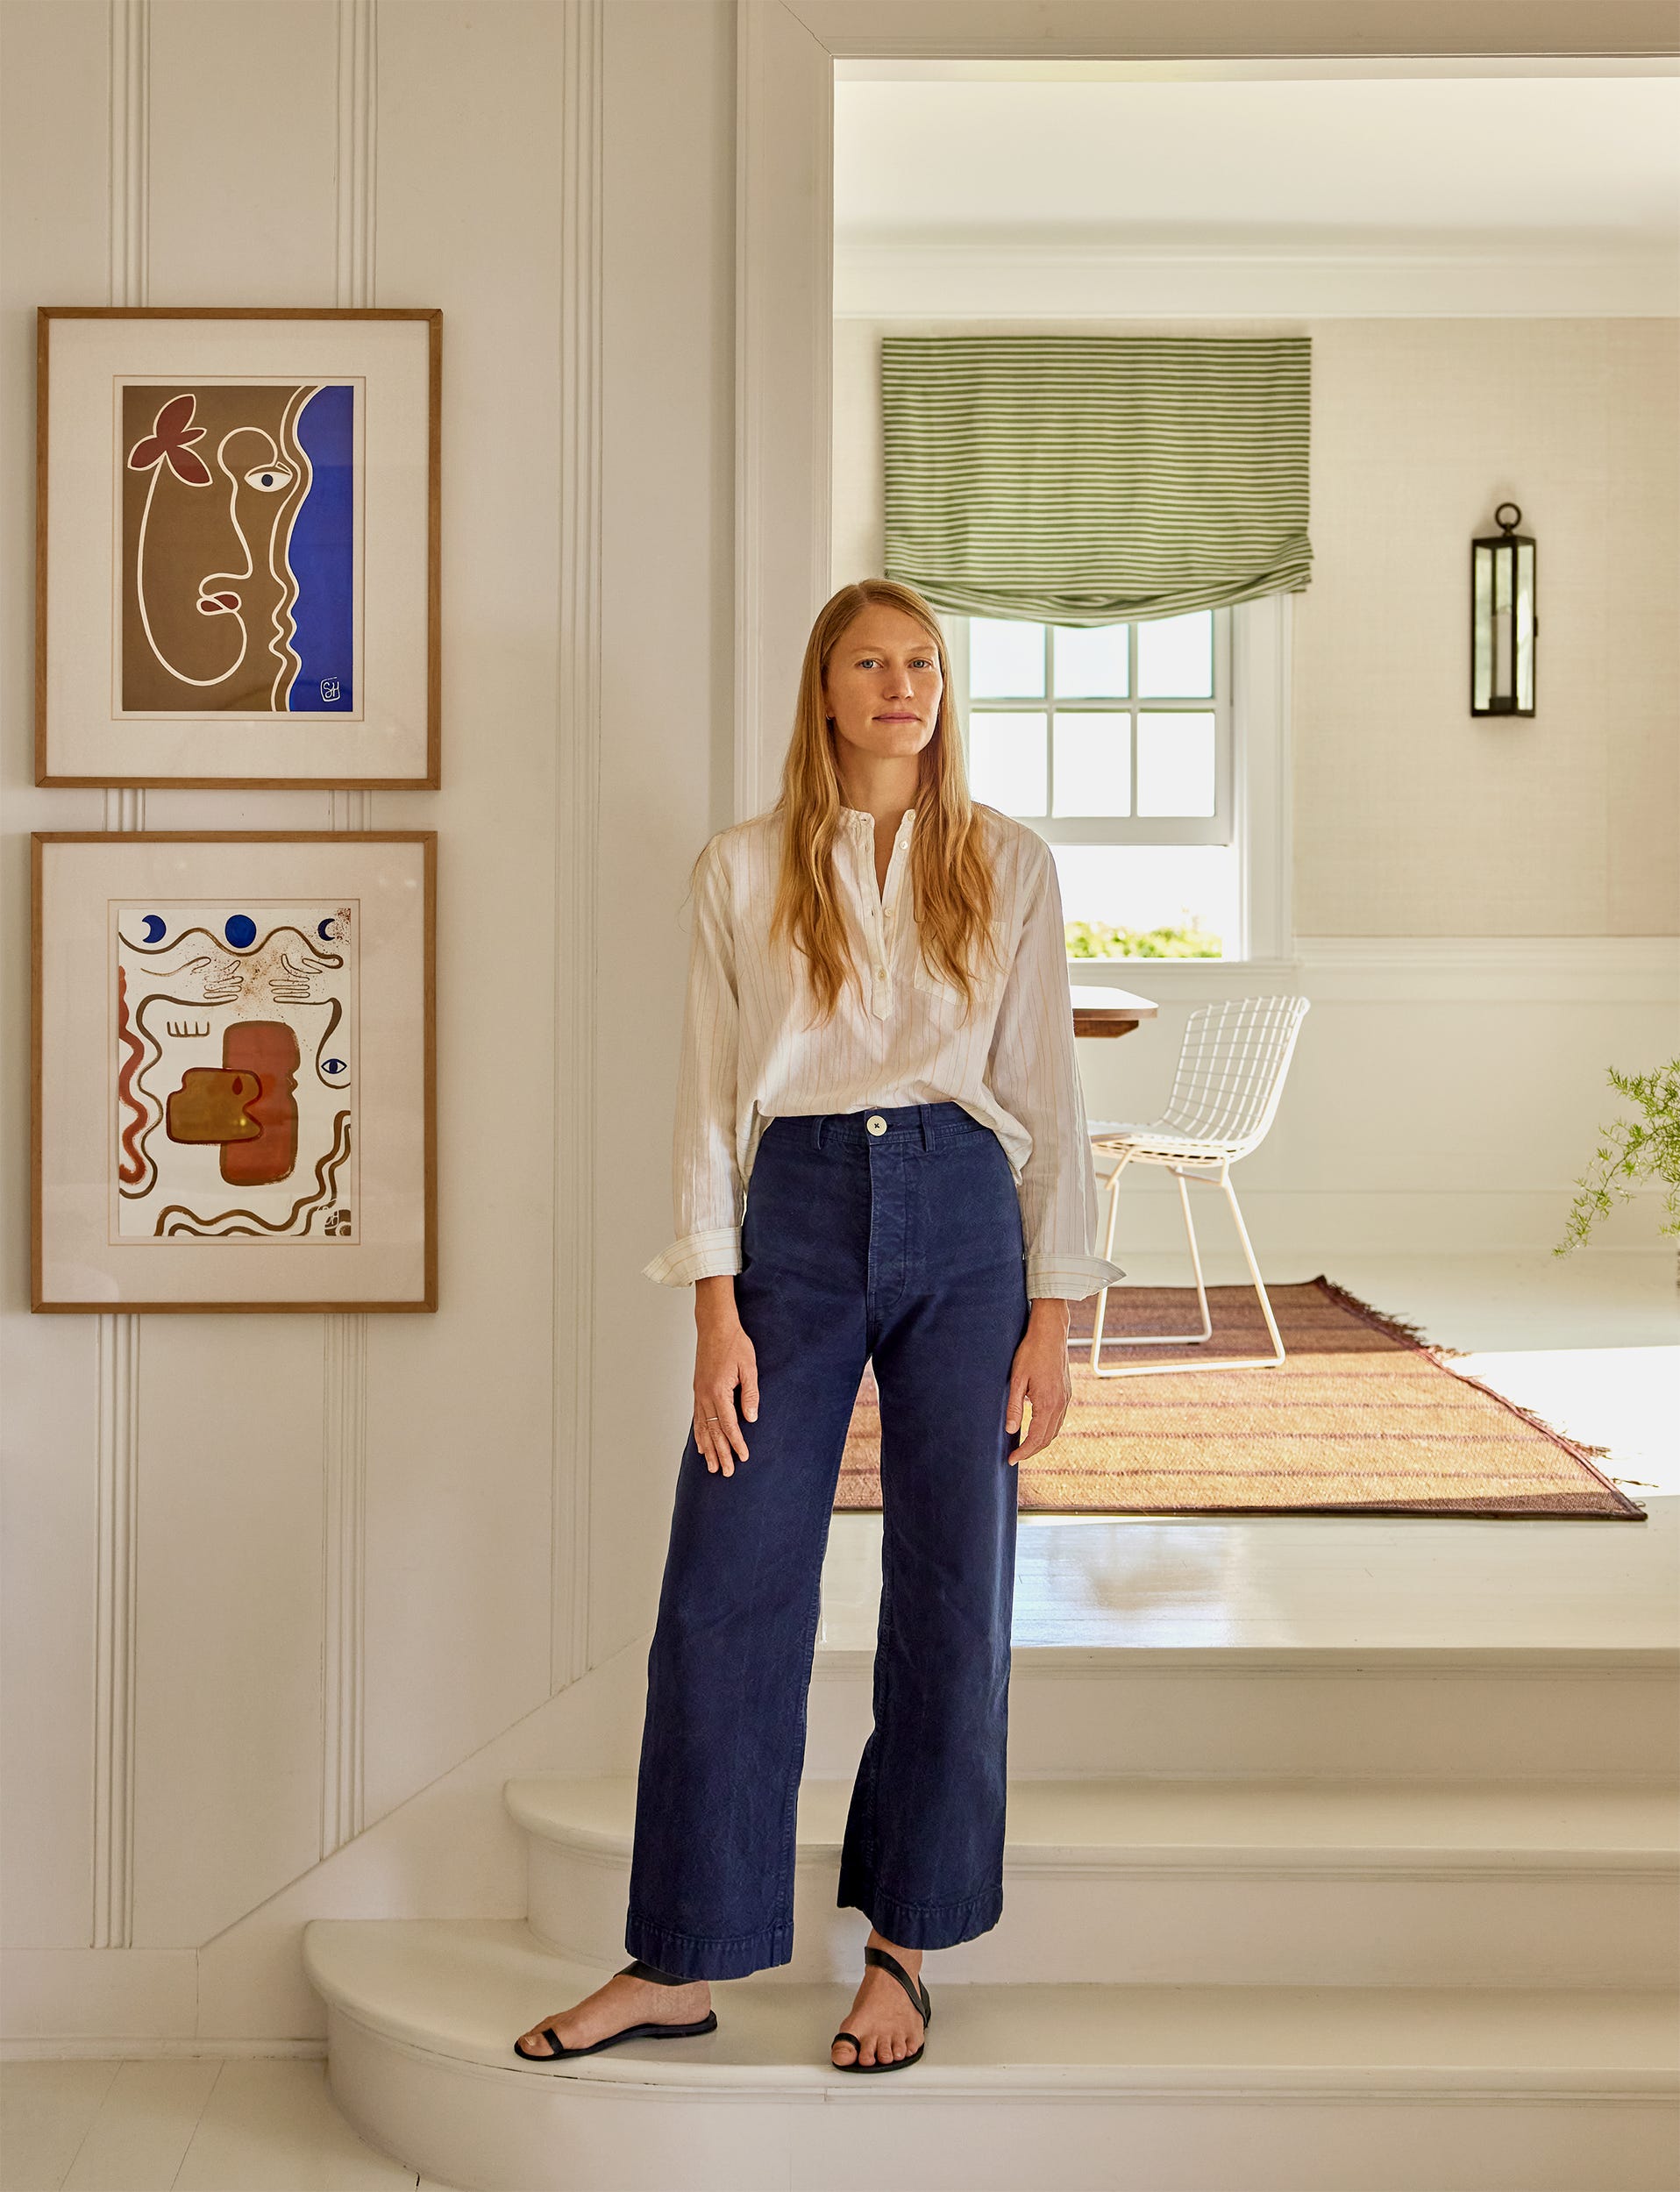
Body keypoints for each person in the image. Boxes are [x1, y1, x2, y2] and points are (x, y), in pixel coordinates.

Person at [514, 579, 1123, 2075]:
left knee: (950, 1590)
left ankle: (904, 1954)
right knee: (727, 1592)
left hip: (968, 1216)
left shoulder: (1007, 864)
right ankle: (679, 1958)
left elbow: (1048, 1095)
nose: (901, 684)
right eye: (871, 662)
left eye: (922, 662)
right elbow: (708, 1105)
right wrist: (715, 1312)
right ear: (826, 689)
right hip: (789, 1215)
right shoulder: (739, 870)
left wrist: (1056, 1315)